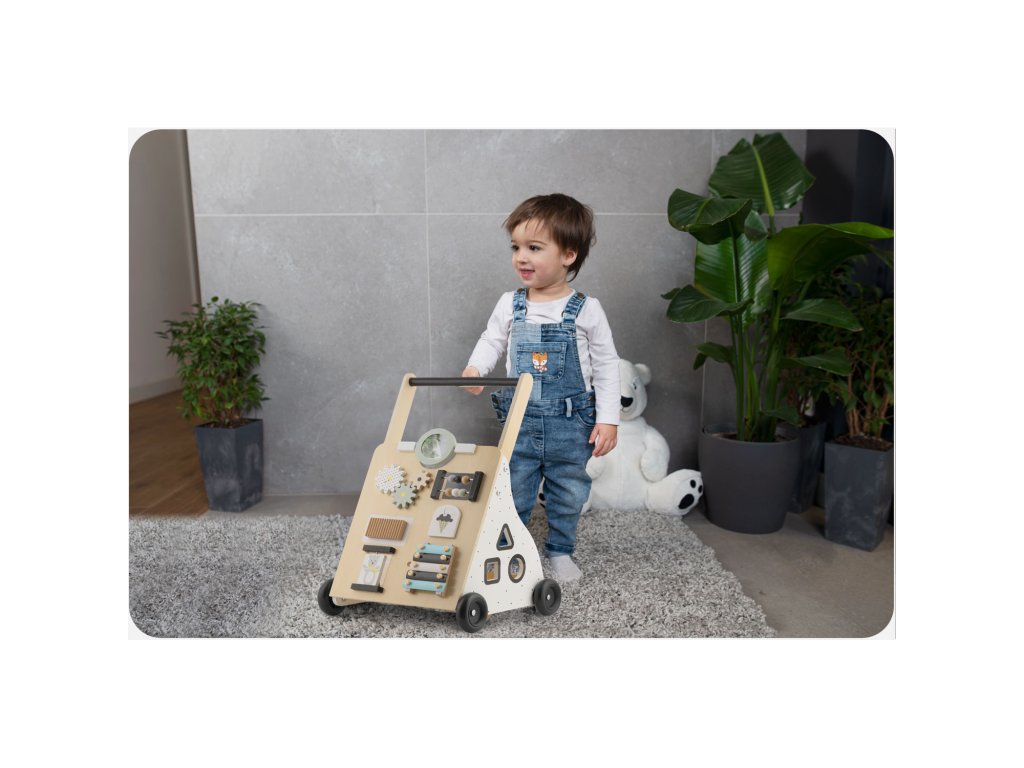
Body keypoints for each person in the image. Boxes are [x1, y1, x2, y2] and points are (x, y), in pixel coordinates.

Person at [462, 193, 620, 583]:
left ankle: (560, 549)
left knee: (569, 492)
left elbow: (606, 366)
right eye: (515, 247)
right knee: (513, 488)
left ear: (568, 255)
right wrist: (476, 368)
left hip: (572, 422)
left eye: (534, 248)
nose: (521, 257)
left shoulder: (586, 309)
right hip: (521, 420)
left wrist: (609, 420)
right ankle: (510, 548)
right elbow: (492, 340)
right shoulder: (510, 304)